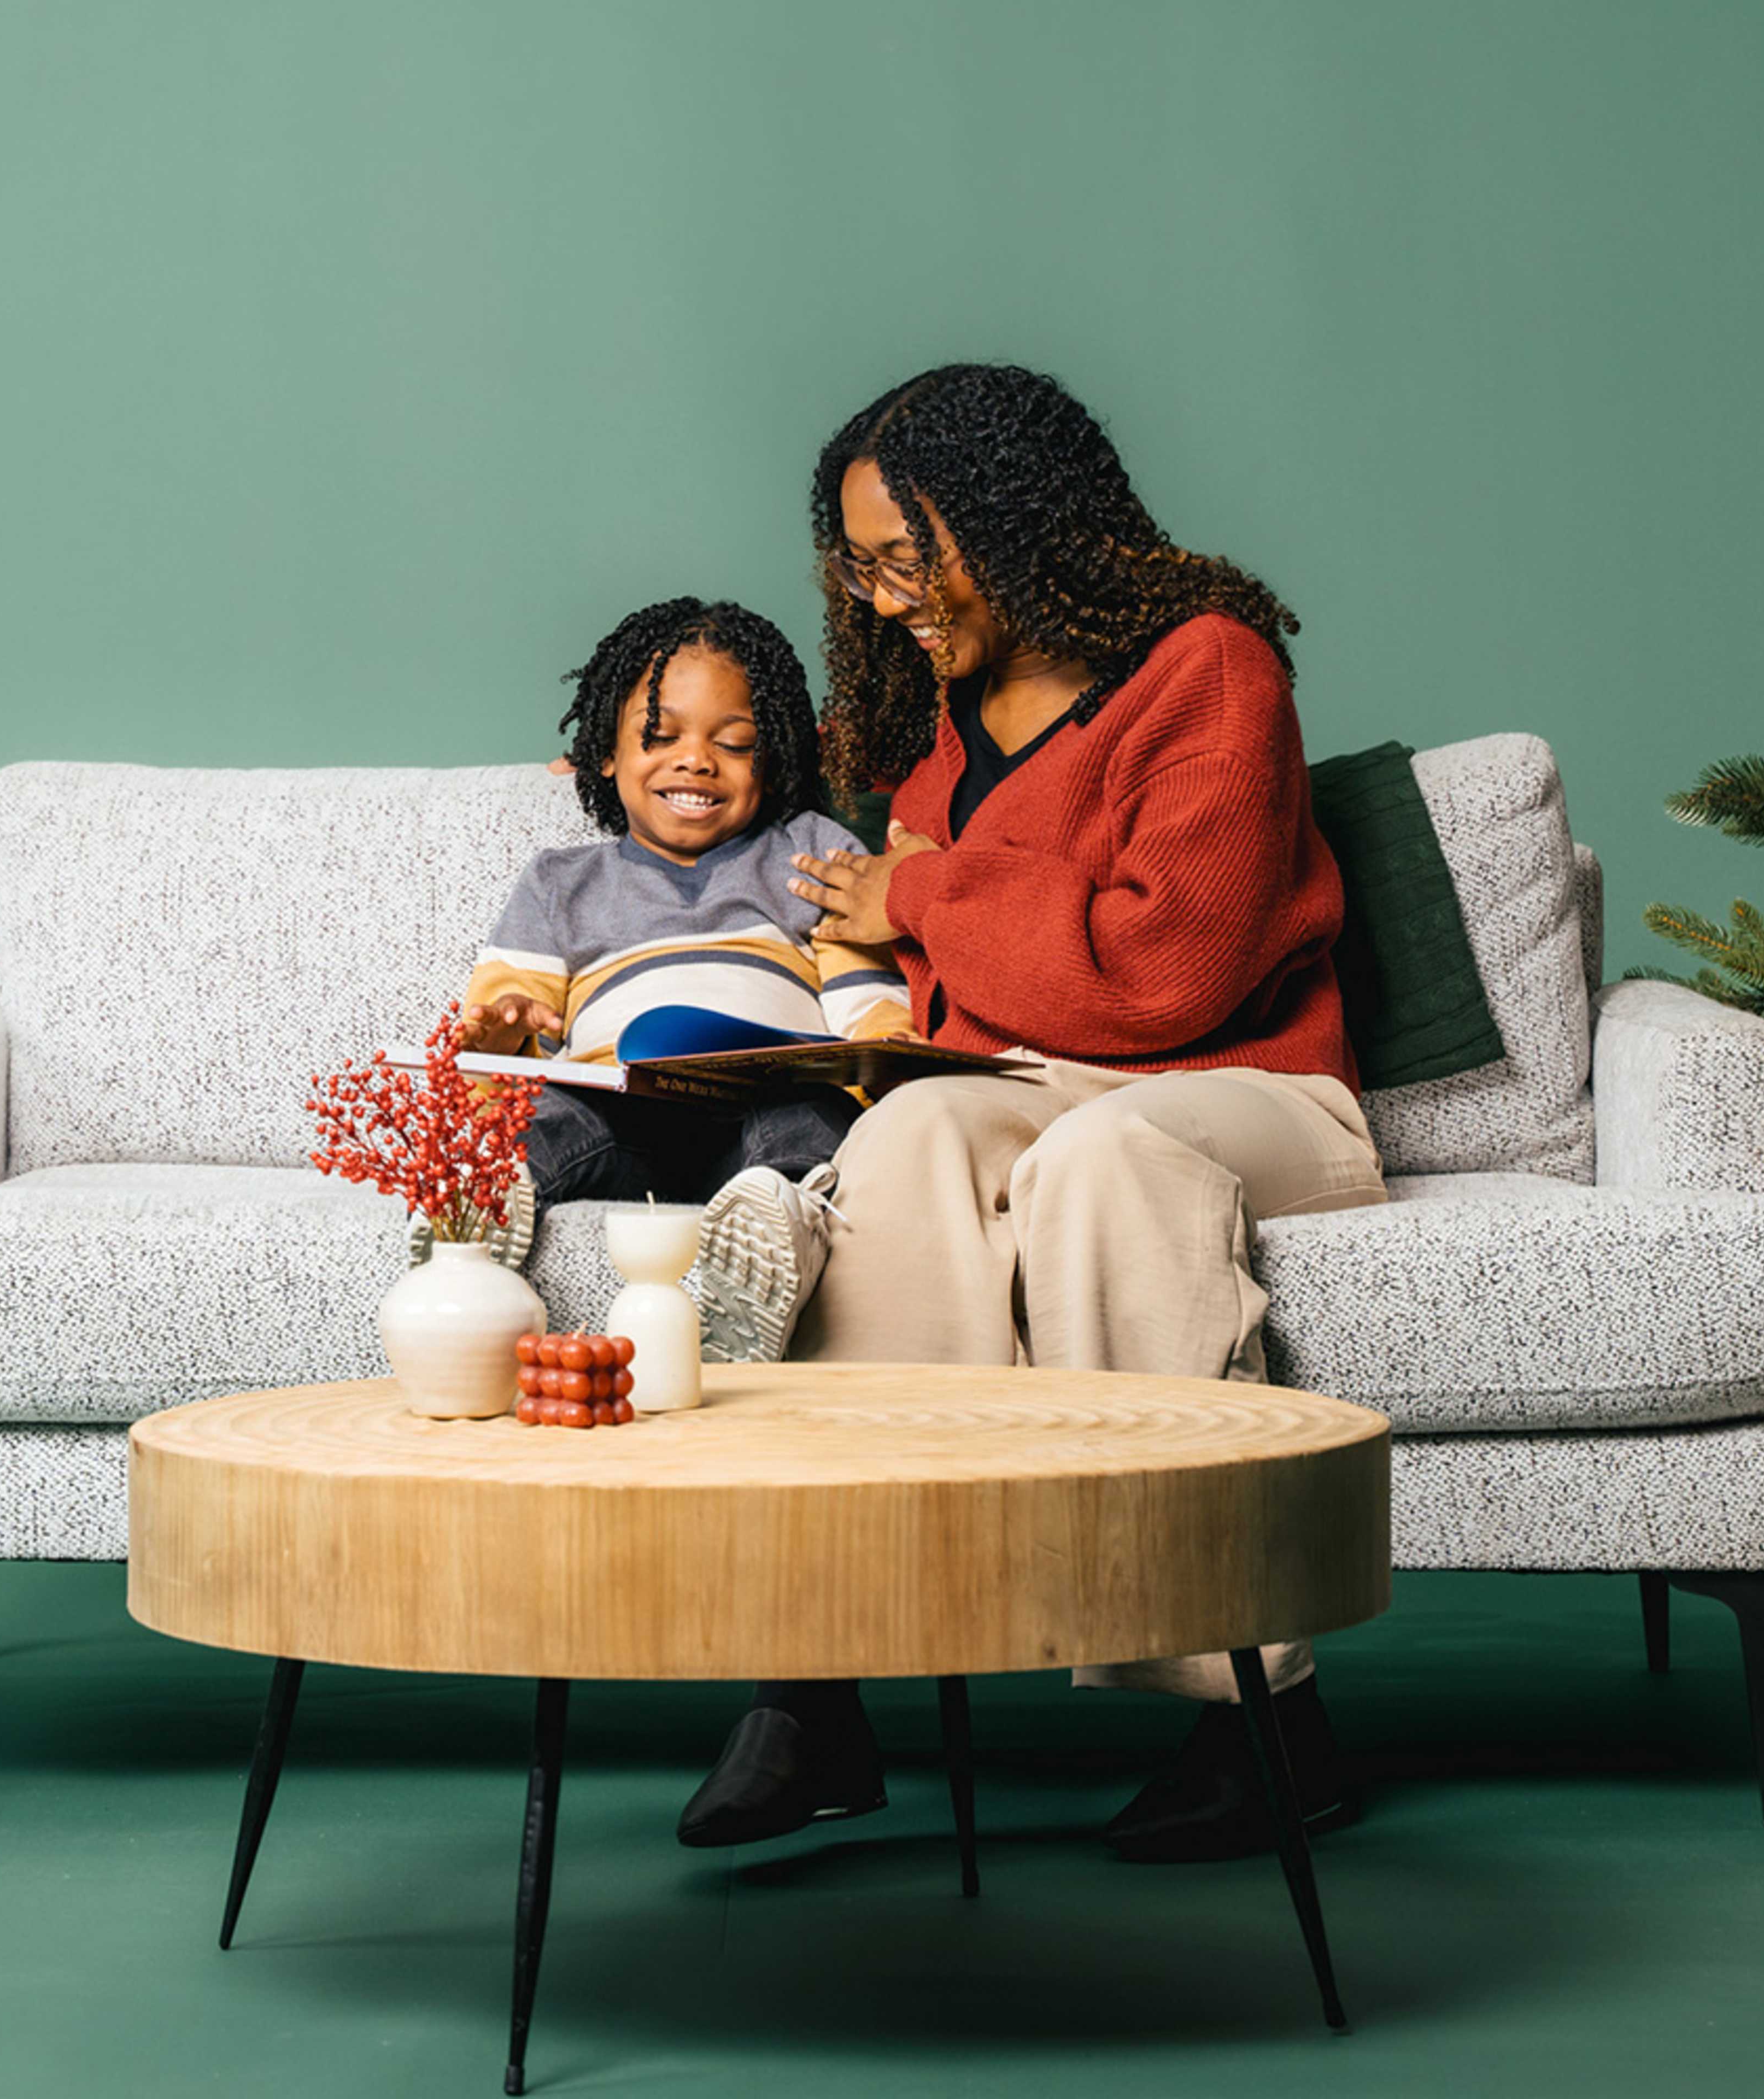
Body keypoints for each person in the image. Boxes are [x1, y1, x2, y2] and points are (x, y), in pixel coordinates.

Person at [677, 367, 1386, 1863]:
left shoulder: (1213, 670)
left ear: (1013, 519)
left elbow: (1165, 966)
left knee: (1104, 1155)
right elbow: (964, 963)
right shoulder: (939, 713)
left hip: (1252, 1095)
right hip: (1044, 1078)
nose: (884, 602)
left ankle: (1260, 1715)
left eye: (905, 561)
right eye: (860, 569)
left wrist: (927, 893)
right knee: (916, 1138)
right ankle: (828, 1676)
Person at [463, 596, 910, 1362]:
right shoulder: (562, 882)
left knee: (810, 1116)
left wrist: (887, 1053)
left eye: (734, 744)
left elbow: (863, 998)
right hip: (623, 1111)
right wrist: (504, 1037)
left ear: (772, 761)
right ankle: (473, 1229)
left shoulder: (808, 851)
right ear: (606, 751)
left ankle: (770, 1242)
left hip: (762, 1098)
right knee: (547, 1118)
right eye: (660, 737)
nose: (696, 761)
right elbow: (507, 1014)